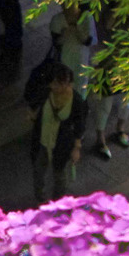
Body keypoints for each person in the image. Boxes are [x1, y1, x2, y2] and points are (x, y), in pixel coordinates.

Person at [29, 62, 86, 202]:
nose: (56, 87)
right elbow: (33, 104)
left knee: (60, 175)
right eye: (55, 83)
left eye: (61, 83)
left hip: (61, 144)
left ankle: (57, 203)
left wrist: (76, 148)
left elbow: (80, 125)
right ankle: (40, 200)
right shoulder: (46, 93)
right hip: (42, 139)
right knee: (38, 171)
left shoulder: (77, 101)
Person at [84, 7, 129, 160]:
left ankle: (120, 129)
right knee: (105, 105)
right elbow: (105, 30)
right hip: (109, 64)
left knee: (126, 101)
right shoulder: (106, 16)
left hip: (126, 63)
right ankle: (101, 139)